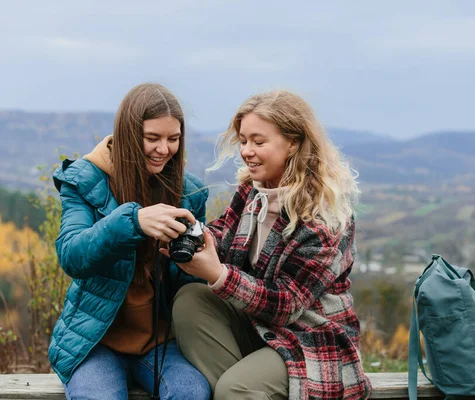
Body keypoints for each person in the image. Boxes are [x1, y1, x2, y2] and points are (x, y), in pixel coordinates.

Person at [168, 90, 372, 399]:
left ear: (293, 143)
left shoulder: (324, 219)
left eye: (258, 142)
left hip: (310, 338)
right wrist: (186, 230)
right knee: (191, 299)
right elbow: (221, 236)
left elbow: (287, 305)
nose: (247, 151)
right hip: (258, 326)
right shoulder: (253, 191)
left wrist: (217, 274)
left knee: (234, 389)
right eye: (244, 141)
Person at [49, 83, 211, 400]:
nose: (164, 149)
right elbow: (72, 255)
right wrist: (133, 222)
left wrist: (197, 260)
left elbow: (188, 284)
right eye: (152, 138)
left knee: (191, 393)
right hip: (96, 341)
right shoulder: (85, 179)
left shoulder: (190, 193)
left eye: (173, 139)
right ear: (127, 134)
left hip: (162, 340)